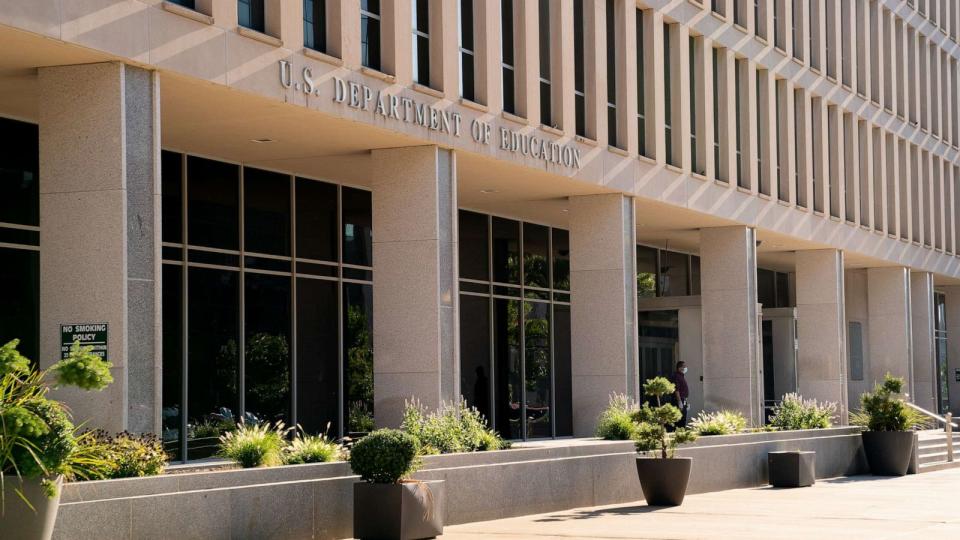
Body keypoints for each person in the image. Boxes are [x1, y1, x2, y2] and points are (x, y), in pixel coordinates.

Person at [669, 361, 690, 428]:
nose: (685, 368)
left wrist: (685, 402)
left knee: (683, 418)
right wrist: (679, 401)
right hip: (679, 400)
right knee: (680, 419)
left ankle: (681, 432)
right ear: (679, 368)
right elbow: (676, 390)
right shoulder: (676, 376)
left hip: (683, 400)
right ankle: (679, 432)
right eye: (684, 366)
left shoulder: (681, 376)